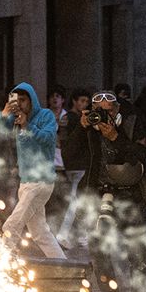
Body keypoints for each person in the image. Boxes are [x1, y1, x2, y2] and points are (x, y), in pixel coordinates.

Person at [79, 90, 146, 292]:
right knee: (98, 248)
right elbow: (71, 152)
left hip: (130, 195)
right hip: (100, 193)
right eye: (99, 112)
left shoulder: (133, 122)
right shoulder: (90, 126)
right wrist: (80, 128)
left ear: (117, 109)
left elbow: (142, 155)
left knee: (137, 251)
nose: (105, 116)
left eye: (109, 111)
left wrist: (116, 137)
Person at [0, 83, 65, 260]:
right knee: (40, 232)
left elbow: (48, 138)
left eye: (24, 100)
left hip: (40, 182)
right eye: (17, 100)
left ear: (32, 100)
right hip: (26, 182)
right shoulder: (18, 118)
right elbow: (2, 128)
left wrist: (27, 126)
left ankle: (2, 266)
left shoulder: (45, 115)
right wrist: (5, 111)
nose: (20, 104)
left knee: (11, 226)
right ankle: (62, 266)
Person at [57, 89, 91, 248]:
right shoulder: (73, 119)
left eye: (86, 101)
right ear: (74, 101)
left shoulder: (70, 118)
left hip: (74, 164)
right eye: (82, 100)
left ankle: (81, 236)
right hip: (77, 164)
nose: (85, 104)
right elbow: (63, 142)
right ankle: (64, 234)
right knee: (76, 201)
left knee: (78, 200)